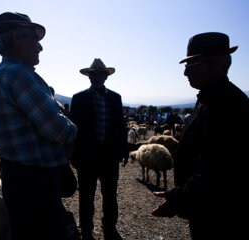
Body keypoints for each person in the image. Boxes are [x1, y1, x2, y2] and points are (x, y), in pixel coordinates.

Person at [0, 12, 77, 240]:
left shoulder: (0, 75)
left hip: (16, 177)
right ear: (18, 37)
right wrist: (72, 129)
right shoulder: (20, 75)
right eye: (35, 40)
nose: (40, 47)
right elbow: (57, 129)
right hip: (36, 183)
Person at [152, 32, 249, 239]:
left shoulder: (226, 105)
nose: (185, 73)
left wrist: (178, 199)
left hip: (219, 216)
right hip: (205, 209)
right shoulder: (208, 98)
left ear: (213, 64)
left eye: (190, 65)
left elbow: (216, 170)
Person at [69, 58, 129, 240]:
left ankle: (109, 226)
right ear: (89, 77)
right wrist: (73, 153)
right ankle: (86, 228)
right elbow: (73, 127)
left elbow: (120, 125)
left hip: (109, 155)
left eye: (100, 74)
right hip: (87, 156)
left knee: (110, 193)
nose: (97, 77)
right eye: (93, 74)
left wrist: (124, 149)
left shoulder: (115, 98)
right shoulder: (79, 99)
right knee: (86, 195)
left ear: (106, 77)